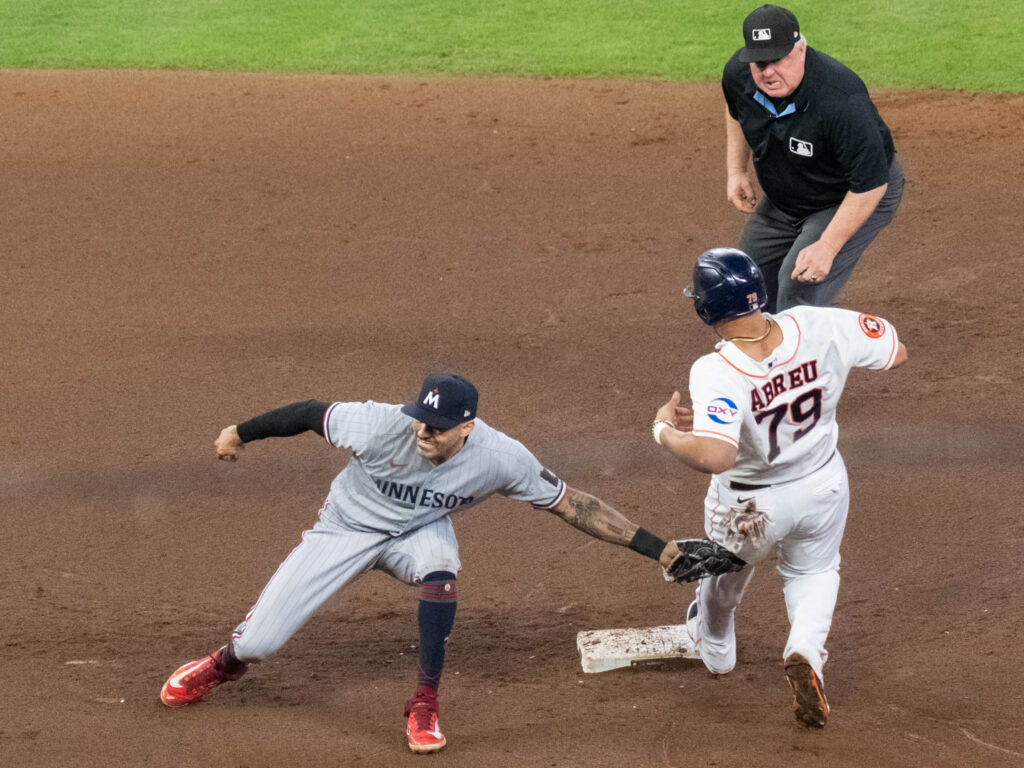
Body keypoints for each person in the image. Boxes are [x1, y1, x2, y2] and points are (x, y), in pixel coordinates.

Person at [160, 372, 722, 754]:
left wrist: (660, 548)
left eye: (437, 427)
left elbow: (572, 504)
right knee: (259, 644)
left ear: (467, 428)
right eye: (419, 420)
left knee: (441, 567)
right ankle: (226, 662)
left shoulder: (501, 458)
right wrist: (239, 433)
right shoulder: (379, 422)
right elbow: (309, 413)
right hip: (344, 528)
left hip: (416, 532)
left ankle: (424, 702)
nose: (422, 432)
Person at [650, 248, 907, 727]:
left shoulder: (716, 370)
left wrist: (664, 430)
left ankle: (716, 649)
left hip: (750, 506)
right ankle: (805, 649)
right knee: (815, 571)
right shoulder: (814, 322)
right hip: (822, 484)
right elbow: (895, 351)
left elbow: (716, 456)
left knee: (726, 570)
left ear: (705, 308)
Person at [722, 4, 904, 312]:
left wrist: (827, 245)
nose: (768, 72)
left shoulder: (841, 98)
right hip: (787, 198)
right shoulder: (739, 75)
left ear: (800, 50)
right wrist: (736, 169)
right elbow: (735, 109)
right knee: (750, 282)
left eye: (777, 59)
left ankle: (808, 343)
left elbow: (870, 184)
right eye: (760, 63)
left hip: (848, 195)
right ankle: (770, 343)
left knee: (800, 284)